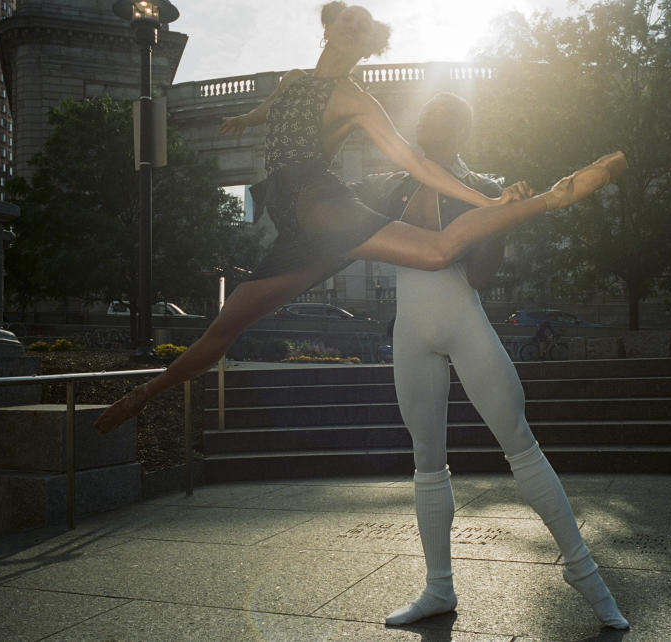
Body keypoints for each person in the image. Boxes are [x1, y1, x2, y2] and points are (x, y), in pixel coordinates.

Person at [93, 2, 627, 437]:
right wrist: (243, 118)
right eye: (349, 14)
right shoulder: (292, 79)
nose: (356, 20)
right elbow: (272, 110)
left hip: (317, 202)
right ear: (328, 24)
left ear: (370, 44)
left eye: (367, 24)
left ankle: (547, 199)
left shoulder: (358, 99)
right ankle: (144, 395)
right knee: (225, 328)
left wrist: (488, 202)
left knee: (439, 250)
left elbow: (416, 163)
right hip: (297, 235)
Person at [349, 93, 628, 629]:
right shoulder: (394, 180)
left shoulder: (475, 185)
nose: (431, 121)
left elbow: (478, 276)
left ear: (461, 131)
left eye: (446, 117)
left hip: (462, 318)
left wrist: (501, 217)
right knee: (427, 460)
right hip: (411, 331)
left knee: (520, 444)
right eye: (429, 113)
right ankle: (438, 588)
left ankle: (585, 573)